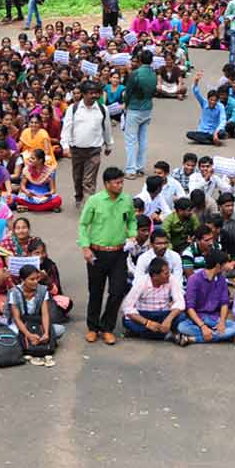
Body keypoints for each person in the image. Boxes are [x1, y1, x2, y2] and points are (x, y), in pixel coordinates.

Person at [78, 167, 137, 345]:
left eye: (121, 182)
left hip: (119, 252)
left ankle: (107, 327)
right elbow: (83, 225)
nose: (120, 185)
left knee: (117, 291)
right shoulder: (95, 201)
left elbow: (132, 219)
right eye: (116, 182)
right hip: (97, 252)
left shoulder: (126, 200)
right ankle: (93, 327)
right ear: (107, 184)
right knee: (95, 291)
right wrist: (85, 247)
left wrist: (132, 233)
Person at [61, 80, 113, 208]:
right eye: (91, 93)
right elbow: (67, 128)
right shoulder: (73, 109)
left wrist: (109, 144)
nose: (95, 96)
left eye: (97, 93)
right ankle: (79, 196)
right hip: (76, 150)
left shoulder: (102, 109)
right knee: (78, 177)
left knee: (88, 180)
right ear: (84, 94)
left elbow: (106, 128)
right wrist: (65, 146)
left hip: (94, 150)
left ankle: (89, 204)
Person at [175, 250, 235, 345]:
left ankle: (192, 339)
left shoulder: (221, 279)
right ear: (218, 265)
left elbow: (224, 303)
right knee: (182, 327)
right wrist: (202, 326)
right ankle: (225, 337)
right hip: (198, 319)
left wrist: (222, 322)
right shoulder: (194, 279)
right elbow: (190, 308)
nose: (228, 265)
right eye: (226, 263)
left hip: (214, 318)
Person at [122, 257, 185, 340]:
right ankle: (167, 335)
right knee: (127, 321)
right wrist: (147, 323)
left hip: (163, 314)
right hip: (144, 314)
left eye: (169, 272)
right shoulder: (141, 282)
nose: (169, 275)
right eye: (166, 273)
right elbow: (127, 307)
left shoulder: (171, 279)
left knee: (182, 316)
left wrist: (168, 319)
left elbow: (180, 302)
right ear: (155, 276)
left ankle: (147, 333)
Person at [123, 49, 156, 179]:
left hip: (134, 108)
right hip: (147, 108)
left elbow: (128, 92)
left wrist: (125, 105)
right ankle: (140, 167)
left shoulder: (135, 74)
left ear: (140, 60)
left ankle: (131, 169)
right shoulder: (153, 74)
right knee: (142, 139)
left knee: (131, 140)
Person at [186, 70, 227, 145]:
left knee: (223, 134)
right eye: (211, 100)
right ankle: (211, 141)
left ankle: (208, 140)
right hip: (203, 131)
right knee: (189, 134)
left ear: (217, 100)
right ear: (208, 99)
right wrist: (196, 82)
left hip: (214, 132)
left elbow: (223, 120)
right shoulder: (204, 103)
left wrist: (216, 133)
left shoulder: (220, 106)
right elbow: (196, 93)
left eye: (215, 100)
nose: (213, 102)